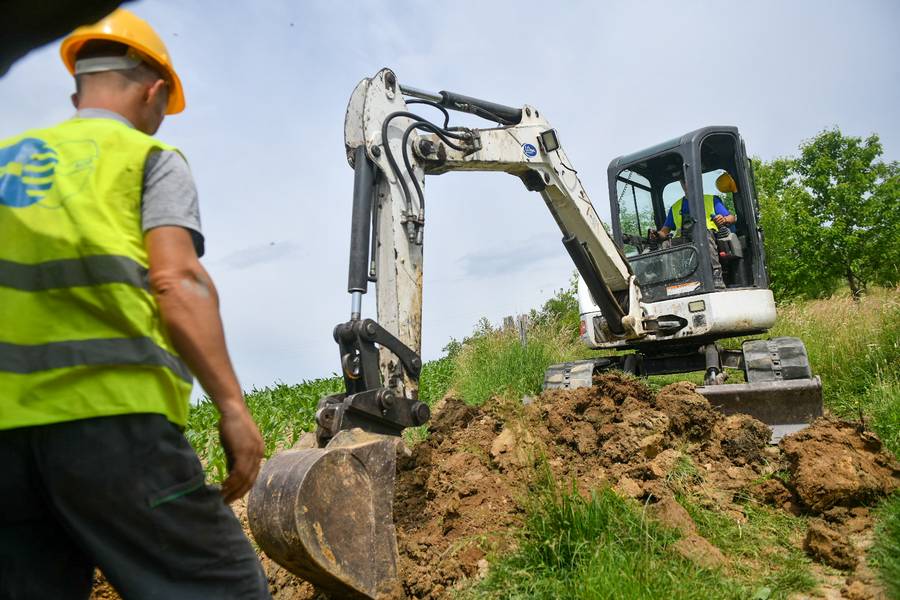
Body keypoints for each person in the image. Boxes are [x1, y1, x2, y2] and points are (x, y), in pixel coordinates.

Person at [0, 9, 271, 599]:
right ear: (154, 91)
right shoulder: (147, 158)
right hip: (114, 424)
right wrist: (232, 406)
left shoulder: (6, 161)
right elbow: (177, 281)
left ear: (78, 90)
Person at [653, 173, 738, 288]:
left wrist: (724, 219)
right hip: (685, 241)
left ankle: (716, 275)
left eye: (689, 179)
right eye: (683, 181)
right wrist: (656, 235)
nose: (686, 183)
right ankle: (671, 281)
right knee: (665, 245)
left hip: (708, 238)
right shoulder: (675, 207)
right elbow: (664, 231)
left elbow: (731, 217)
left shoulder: (711, 200)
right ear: (681, 184)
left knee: (704, 235)